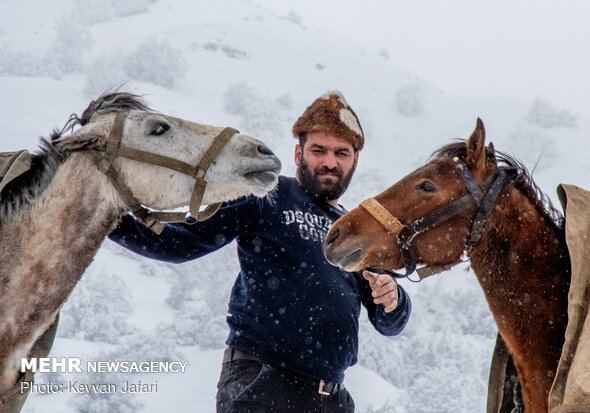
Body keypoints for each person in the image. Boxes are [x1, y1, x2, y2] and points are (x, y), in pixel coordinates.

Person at [109, 90, 412, 413]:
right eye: (318, 150)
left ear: (355, 161)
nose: (329, 162)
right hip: (263, 383)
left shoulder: (354, 230)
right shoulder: (267, 194)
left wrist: (393, 298)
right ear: (298, 154)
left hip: (332, 398)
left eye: (341, 153)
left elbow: (389, 322)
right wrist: (104, 216)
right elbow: (179, 242)